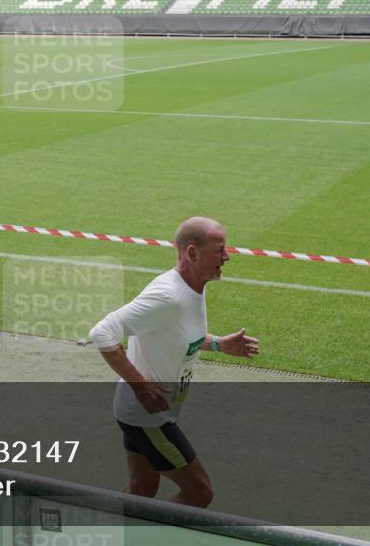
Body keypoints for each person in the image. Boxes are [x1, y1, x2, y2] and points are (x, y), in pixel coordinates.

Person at [89, 216, 259, 508]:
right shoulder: (166, 296)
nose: (227, 256)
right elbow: (102, 333)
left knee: (141, 490)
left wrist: (218, 343)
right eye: (219, 250)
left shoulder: (193, 286)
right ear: (193, 253)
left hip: (144, 411)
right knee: (199, 492)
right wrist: (141, 386)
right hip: (146, 417)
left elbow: (177, 336)